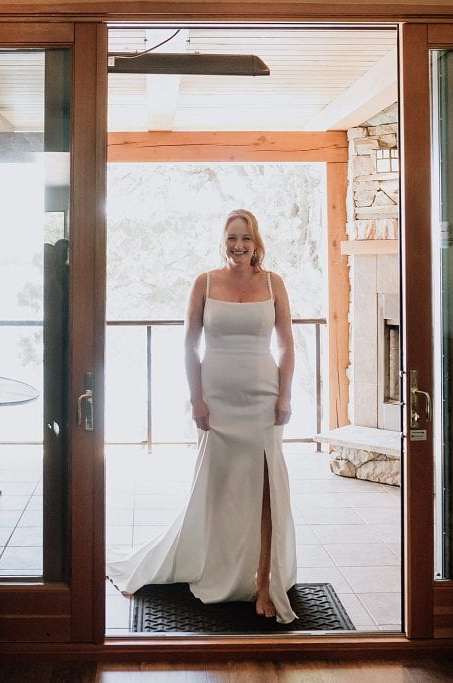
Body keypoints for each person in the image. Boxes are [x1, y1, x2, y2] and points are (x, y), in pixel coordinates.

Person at [106, 208, 298, 623]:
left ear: (256, 242)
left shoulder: (273, 283)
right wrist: (196, 399)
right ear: (222, 241)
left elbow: (287, 346)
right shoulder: (204, 283)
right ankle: (218, 567)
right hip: (217, 398)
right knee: (219, 486)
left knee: (266, 489)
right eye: (232, 238)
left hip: (263, 399)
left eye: (245, 238)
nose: (239, 246)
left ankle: (264, 580)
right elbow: (190, 345)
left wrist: (284, 396)